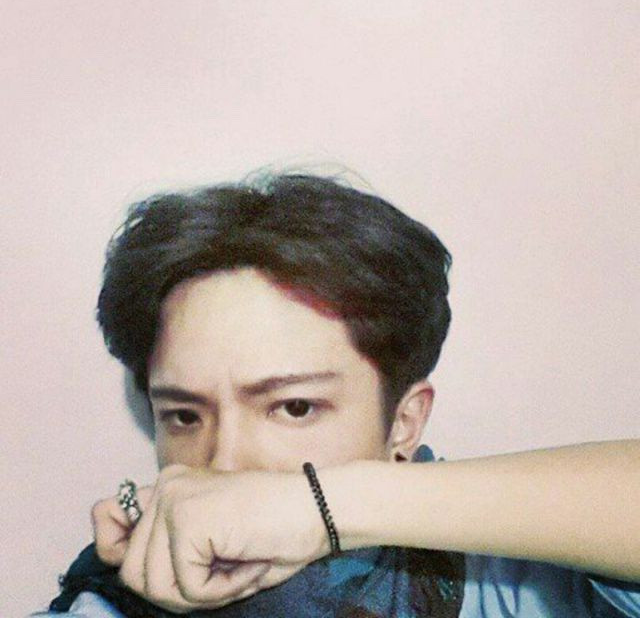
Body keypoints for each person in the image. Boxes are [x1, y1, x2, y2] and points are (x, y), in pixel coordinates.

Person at [37, 173, 639, 617]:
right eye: (184, 416)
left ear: (404, 423)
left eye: (294, 407)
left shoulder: (517, 586)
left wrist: (314, 508)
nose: (225, 464)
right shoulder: (108, 602)